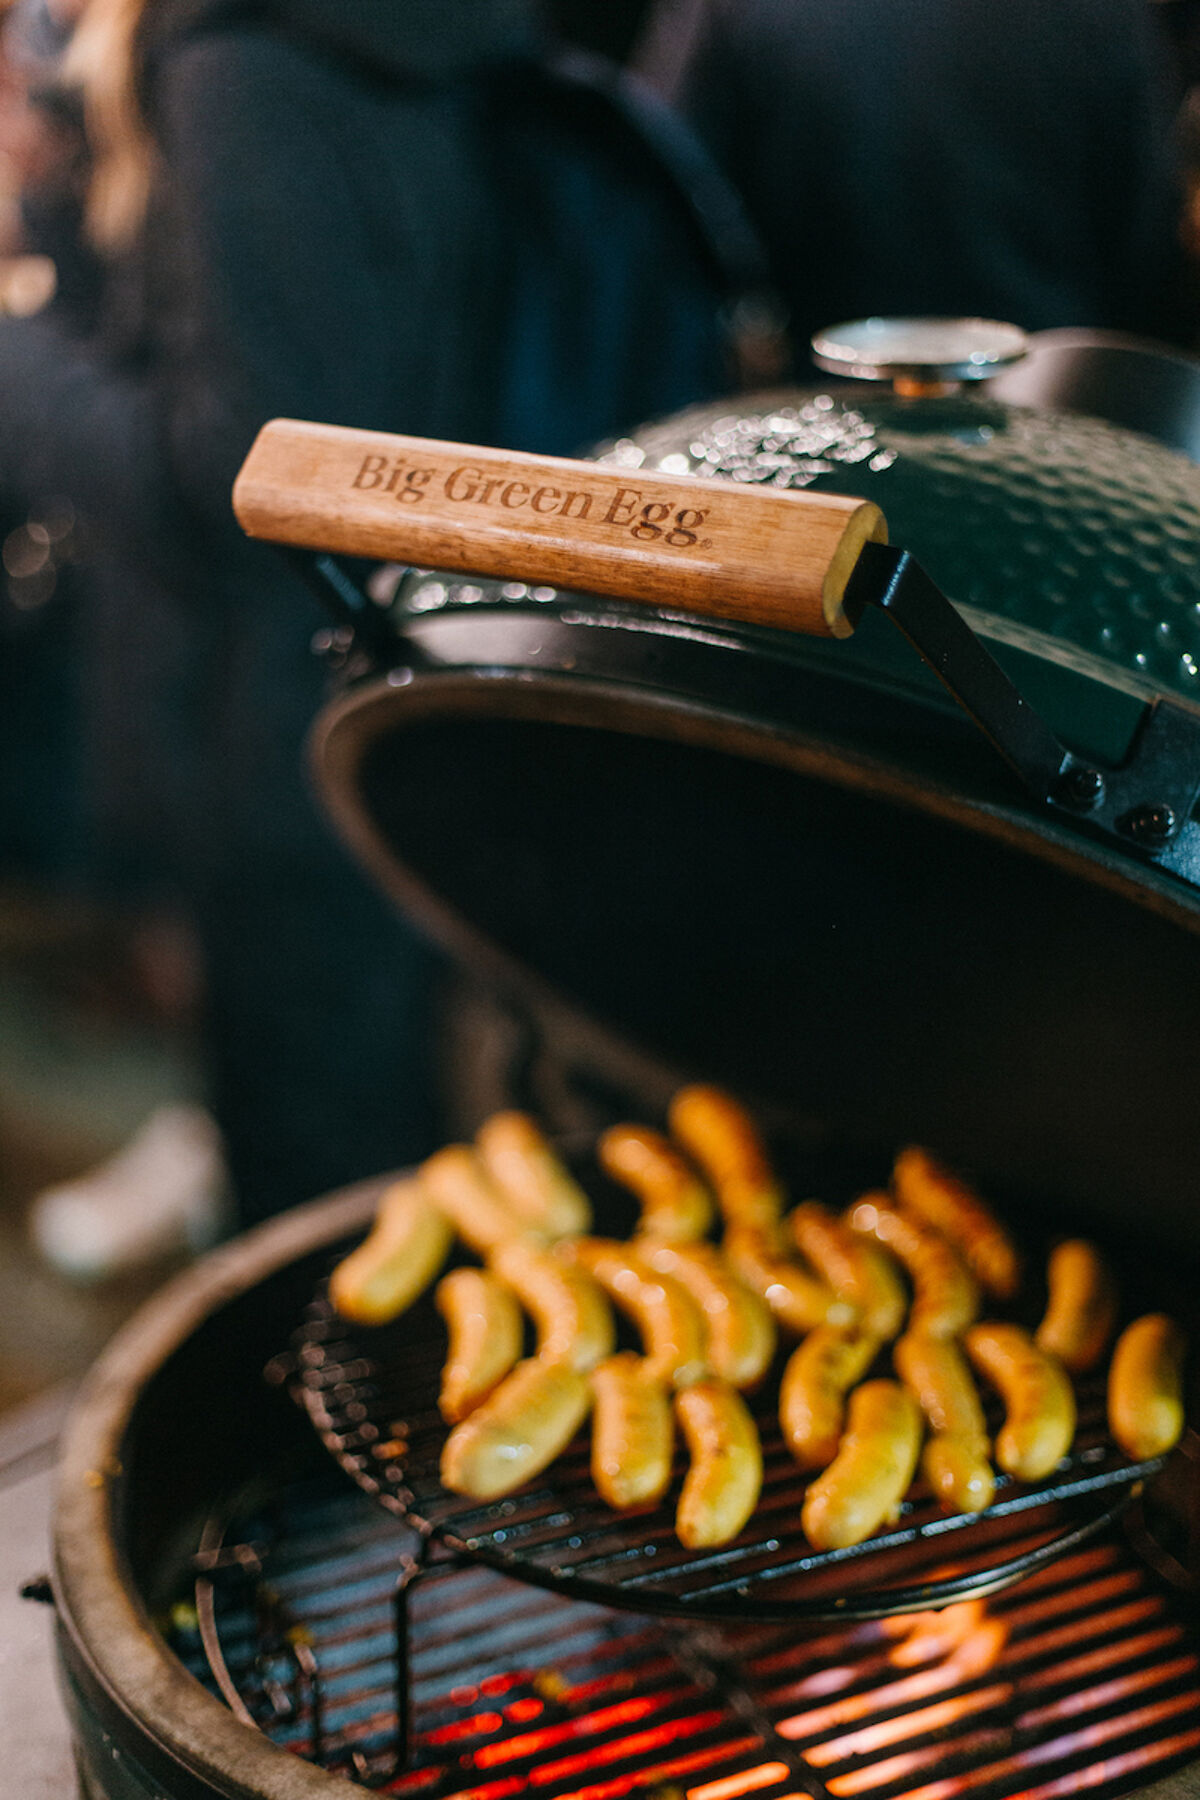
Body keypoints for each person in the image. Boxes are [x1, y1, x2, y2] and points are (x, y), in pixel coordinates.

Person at [0, 0, 744, 1239]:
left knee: (324, 1173)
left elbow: (254, 480)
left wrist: (15, 365)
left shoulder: (242, 69)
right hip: (405, 676)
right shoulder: (369, 29)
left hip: (294, 724)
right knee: (385, 1130)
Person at [635, 0, 1191, 365]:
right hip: (1052, 401)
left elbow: (661, 209)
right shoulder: (1108, 14)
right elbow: (1146, 242)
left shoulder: (736, 10)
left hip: (817, 409)